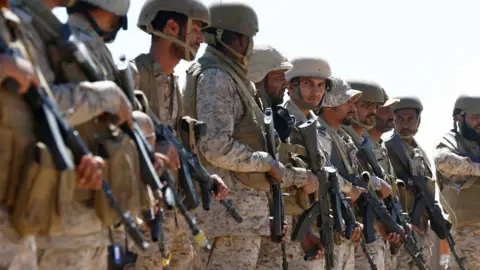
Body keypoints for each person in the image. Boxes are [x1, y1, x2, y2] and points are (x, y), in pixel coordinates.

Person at [183, 3, 288, 269]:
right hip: (227, 219)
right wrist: (264, 161)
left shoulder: (228, 75)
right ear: (243, 38)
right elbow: (216, 147)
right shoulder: (216, 76)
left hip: (238, 220)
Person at [134, 0, 228, 269]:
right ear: (172, 27)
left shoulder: (174, 82)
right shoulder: (133, 75)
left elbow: (175, 146)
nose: (201, 39)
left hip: (175, 218)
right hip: (144, 218)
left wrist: (204, 178)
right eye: (196, 29)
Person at [247, 47, 323, 269]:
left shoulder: (277, 118)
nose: (284, 84)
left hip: (275, 224)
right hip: (248, 221)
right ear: (258, 79)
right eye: (279, 78)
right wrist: (301, 178)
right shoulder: (251, 119)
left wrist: (304, 229)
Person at [340, 80, 401, 270]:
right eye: (365, 105)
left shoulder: (362, 143)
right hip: (351, 231)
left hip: (368, 232)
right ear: (350, 105)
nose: (373, 111)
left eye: (375, 106)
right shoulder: (342, 139)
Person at [315, 77, 367, 270]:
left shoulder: (341, 136)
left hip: (343, 226)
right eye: (347, 102)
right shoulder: (320, 133)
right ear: (330, 104)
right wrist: (350, 189)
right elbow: (323, 172)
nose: (352, 107)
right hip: (327, 224)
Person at [384, 96, 437, 269]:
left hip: (420, 228)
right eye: (400, 119)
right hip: (401, 227)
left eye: (410, 119)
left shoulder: (419, 152)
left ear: (418, 121)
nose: (405, 124)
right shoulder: (387, 148)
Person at [433, 94, 480, 269]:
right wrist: (476, 168)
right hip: (468, 236)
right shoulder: (450, 141)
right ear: (459, 118)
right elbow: (443, 160)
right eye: (476, 116)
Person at [362, 86, 402, 270]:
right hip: (367, 234)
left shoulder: (380, 147)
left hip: (385, 236)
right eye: (385, 109)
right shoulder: (360, 145)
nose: (391, 114)